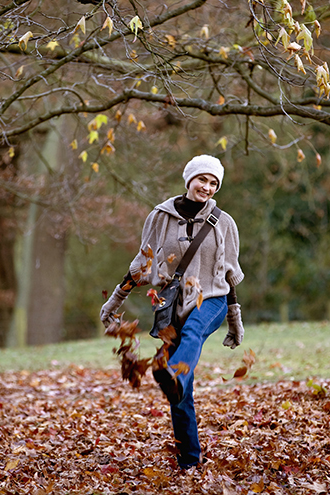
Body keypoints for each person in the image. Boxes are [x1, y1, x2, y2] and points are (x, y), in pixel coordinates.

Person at [100, 154, 245, 470]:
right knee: (181, 395)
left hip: (213, 300)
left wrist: (234, 320)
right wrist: (114, 303)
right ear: (189, 179)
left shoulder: (224, 223)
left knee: (193, 334)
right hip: (172, 308)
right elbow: (142, 265)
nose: (206, 187)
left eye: (213, 183)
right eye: (202, 179)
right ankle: (189, 462)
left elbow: (230, 275)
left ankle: (175, 371)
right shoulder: (159, 217)